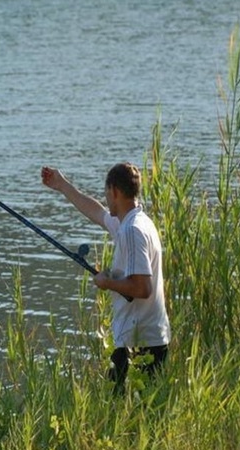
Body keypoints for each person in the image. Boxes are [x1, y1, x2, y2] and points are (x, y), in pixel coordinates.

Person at [41, 163, 170, 393]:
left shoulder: (132, 230)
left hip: (140, 343)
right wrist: (62, 185)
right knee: (131, 414)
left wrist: (106, 282)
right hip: (144, 338)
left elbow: (143, 288)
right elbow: (96, 212)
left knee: (121, 411)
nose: (106, 198)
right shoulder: (133, 221)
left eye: (106, 193)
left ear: (114, 191)